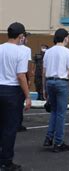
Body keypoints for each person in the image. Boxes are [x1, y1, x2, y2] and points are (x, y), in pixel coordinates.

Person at [0, 22, 31, 171]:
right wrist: (28, 96)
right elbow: (21, 76)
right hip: (12, 91)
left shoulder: (0, 48)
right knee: (9, 128)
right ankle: (6, 161)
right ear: (20, 36)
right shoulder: (21, 52)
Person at [42, 28, 69, 152]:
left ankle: (49, 137)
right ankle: (58, 142)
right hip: (62, 83)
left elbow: (44, 72)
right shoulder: (68, 52)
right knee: (61, 113)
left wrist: (44, 88)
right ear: (65, 37)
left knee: (54, 112)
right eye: (68, 37)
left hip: (50, 82)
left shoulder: (48, 52)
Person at [17, 33, 32, 132]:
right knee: (20, 102)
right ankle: (18, 123)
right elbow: (28, 66)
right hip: (22, 76)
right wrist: (29, 78)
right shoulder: (27, 50)